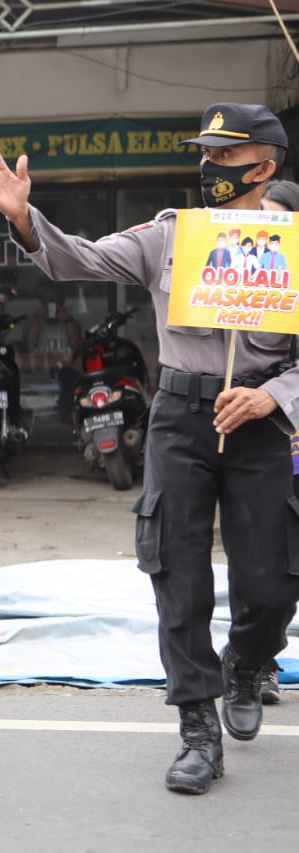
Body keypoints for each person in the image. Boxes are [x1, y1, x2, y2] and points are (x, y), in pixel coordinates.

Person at [0, 103, 299, 795]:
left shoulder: (294, 245)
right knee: (178, 573)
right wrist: (25, 218)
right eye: (204, 155)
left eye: (225, 157)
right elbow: (80, 258)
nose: (208, 167)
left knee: (272, 579)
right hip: (180, 416)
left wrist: (275, 396)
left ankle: (248, 660)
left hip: (262, 419)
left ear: (265, 168)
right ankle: (196, 729)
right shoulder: (168, 233)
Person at [257, 178, 299, 706]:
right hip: (276, 436)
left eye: (273, 219)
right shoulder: (242, 284)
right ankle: (260, 657)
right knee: (278, 554)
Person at [24, 283, 83, 422]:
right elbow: (29, 346)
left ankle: (67, 416)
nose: (51, 305)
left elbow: (77, 345)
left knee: (68, 377)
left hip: (65, 372)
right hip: (39, 370)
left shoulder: (70, 321)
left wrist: (68, 320)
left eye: (54, 300)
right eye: (47, 301)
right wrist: (38, 319)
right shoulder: (34, 321)